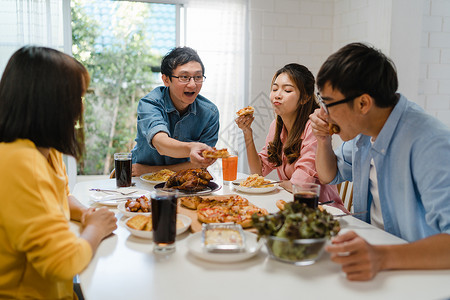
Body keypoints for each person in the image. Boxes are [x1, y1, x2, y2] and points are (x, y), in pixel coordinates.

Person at [309, 42, 450, 281]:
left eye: (328, 103)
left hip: (419, 275)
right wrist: (322, 139)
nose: (324, 113)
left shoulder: (429, 142)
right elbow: (328, 176)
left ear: (363, 103)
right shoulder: (364, 131)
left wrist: (381, 257)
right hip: (373, 259)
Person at [0, 46, 117, 299]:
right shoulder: (20, 161)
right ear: (51, 102)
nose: (80, 107)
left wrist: (87, 213)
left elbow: (60, 196)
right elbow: (63, 262)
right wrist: (96, 229)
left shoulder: (46, 151)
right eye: (78, 97)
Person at [236, 63, 346, 212]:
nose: (277, 94)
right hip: (294, 207)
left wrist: (278, 184)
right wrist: (247, 132)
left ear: (305, 98)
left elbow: (300, 186)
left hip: (324, 212)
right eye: (274, 89)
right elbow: (258, 172)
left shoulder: (314, 127)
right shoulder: (276, 126)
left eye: (287, 90)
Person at [131, 46, 219, 176]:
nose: (192, 84)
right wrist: (191, 148)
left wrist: (148, 170)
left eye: (198, 77)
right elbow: (160, 143)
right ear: (166, 80)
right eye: (184, 77)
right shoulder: (150, 103)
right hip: (140, 179)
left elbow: (200, 164)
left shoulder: (210, 113)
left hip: (182, 181)